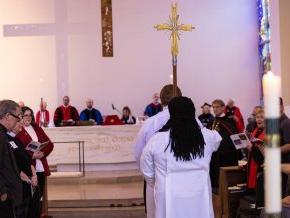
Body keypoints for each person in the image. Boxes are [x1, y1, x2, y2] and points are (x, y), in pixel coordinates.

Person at [141, 96, 222, 218]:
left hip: (167, 193)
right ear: (193, 113)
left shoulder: (157, 140)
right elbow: (218, 140)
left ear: (171, 114)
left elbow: (147, 171)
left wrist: (158, 181)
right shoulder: (208, 137)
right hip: (199, 194)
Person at [134, 84, 182, 218]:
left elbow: (139, 153)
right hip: (185, 180)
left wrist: (149, 177)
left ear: (161, 100)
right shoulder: (194, 122)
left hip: (156, 179)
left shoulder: (151, 123)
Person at [16, 106, 54, 213]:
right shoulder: (18, 129)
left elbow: (49, 144)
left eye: (30, 115)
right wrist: (32, 155)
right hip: (27, 168)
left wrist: (42, 153)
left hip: (40, 167)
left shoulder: (37, 128)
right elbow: (18, 150)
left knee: (38, 196)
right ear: (21, 117)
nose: (28, 117)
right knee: (28, 199)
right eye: (25, 115)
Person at [7, 120, 39, 218]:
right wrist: (29, 179)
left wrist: (34, 175)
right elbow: (12, 165)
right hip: (18, 186)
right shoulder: (6, 140)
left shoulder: (17, 139)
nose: (21, 124)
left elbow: (28, 160)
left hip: (28, 185)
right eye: (17, 121)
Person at [207, 99, 239, 188]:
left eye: (217, 107)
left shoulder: (229, 121)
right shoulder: (211, 122)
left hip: (225, 156)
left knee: (223, 182)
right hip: (213, 155)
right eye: (213, 107)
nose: (215, 109)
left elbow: (234, 137)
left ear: (223, 107)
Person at [0, 100, 23, 218]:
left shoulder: (3, 133)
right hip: (4, 197)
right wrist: (2, 191)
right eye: (17, 117)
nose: (18, 121)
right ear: (7, 116)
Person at [246, 109, 265, 192]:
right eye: (257, 117)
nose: (259, 119)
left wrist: (252, 148)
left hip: (261, 165)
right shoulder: (255, 130)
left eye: (262, 117)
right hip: (252, 161)